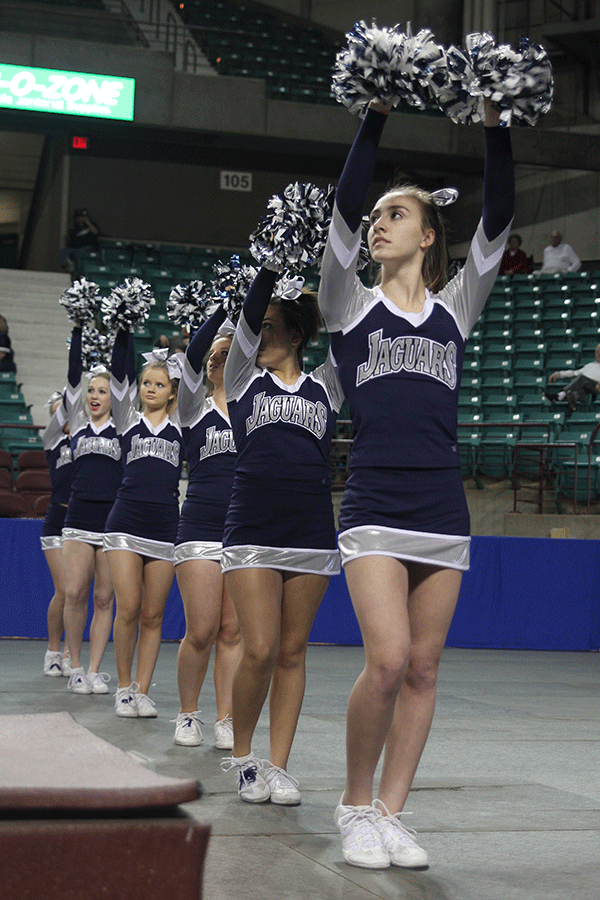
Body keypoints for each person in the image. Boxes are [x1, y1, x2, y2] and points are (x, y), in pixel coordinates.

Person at [318, 97, 514, 869]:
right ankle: (354, 803)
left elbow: (498, 217)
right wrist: (371, 123)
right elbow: (338, 214)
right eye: (375, 217)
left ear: (428, 233)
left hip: (441, 506)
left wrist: (496, 124)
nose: (377, 224)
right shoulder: (348, 306)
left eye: (395, 214)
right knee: (390, 658)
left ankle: (394, 813)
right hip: (372, 505)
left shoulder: (456, 309)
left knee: (427, 667)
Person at [219, 267, 343, 806]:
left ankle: (279, 765)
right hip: (252, 526)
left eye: (272, 328)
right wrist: (270, 267)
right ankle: (243, 758)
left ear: (295, 336)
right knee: (260, 649)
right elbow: (245, 320)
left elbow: (345, 322)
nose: (259, 335)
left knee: (293, 652)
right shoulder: (244, 377)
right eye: (258, 327)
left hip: (312, 529)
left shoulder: (327, 384)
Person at [172, 307, 240, 749]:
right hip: (199, 524)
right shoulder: (195, 407)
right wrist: (221, 312)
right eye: (213, 355)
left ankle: (226, 718)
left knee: (233, 632)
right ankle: (188, 713)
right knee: (201, 629)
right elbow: (195, 355)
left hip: (243, 528)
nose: (215, 360)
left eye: (227, 354)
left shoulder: (258, 401)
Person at [104, 337, 183, 718]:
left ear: (172, 394)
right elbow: (119, 376)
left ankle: (142, 689)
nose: (150, 389)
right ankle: (122, 687)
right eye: (146, 383)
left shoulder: (183, 425)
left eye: (159, 385)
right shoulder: (126, 419)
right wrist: (125, 330)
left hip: (166, 525)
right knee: (129, 607)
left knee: (153, 614)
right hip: (125, 522)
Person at [62, 330, 123, 695]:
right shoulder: (77, 423)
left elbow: (124, 374)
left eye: (103, 390)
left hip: (113, 520)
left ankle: (97, 670)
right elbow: (72, 377)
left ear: (114, 396)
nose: (95, 396)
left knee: (104, 598)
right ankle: (76, 665)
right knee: (74, 593)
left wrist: (121, 329)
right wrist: (79, 330)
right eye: (91, 391)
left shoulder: (125, 426)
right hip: (78, 518)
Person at [41, 390, 73, 678]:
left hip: (82, 521)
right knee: (63, 590)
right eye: (57, 411)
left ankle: (69, 653)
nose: (61, 415)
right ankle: (53, 650)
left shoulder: (88, 436)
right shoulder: (52, 441)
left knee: (76, 593)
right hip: (57, 520)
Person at [545, 344, 600, 409]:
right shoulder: (589, 366)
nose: (599, 354)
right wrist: (558, 374)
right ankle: (573, 398)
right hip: (587, 387)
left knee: (581, 379)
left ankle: (559, 395)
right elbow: (573, 373)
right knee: (578, 389)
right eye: (597, 352)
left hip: (597, 387)